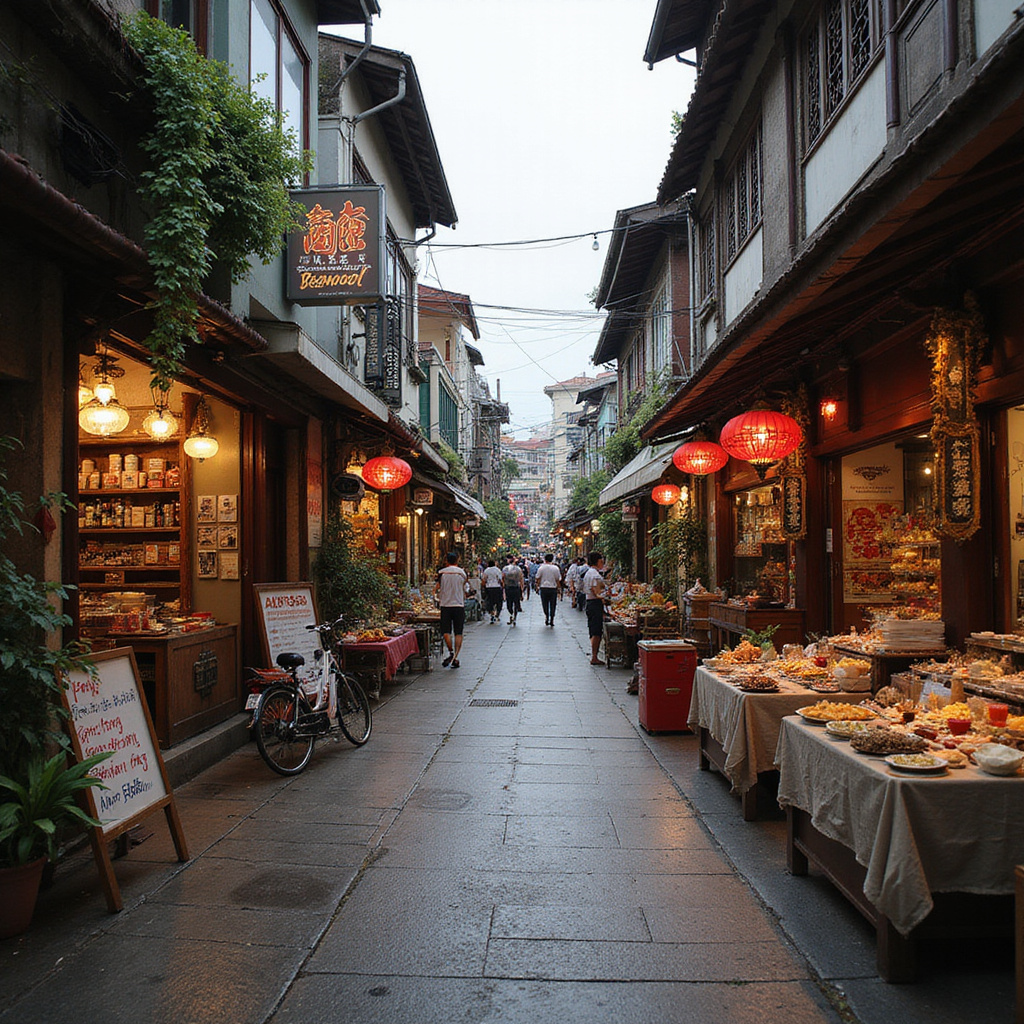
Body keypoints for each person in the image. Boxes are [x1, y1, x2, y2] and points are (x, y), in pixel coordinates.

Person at [434, 551, 468, 668]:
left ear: (446, 561)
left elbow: (436, 589)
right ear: (457, 560)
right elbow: (466, 588)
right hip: (459, 605)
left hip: (445, 605)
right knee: (458, 632)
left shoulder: (441, 573)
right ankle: (455, 657)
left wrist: (437, 597)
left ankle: (451, 652)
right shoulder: (462, 573)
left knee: (446, 631)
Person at [582, 550, 607, 665]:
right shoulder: (594, 575)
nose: (602, 563)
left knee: (593, 629)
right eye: (601, 561)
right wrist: (605, 598)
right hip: (594, 603)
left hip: (590, 603)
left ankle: (594, 655)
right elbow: (596, 592)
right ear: (597, 561)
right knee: (596, 630)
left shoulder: (589, 573)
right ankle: (594, 656)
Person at [535, 552, 562, 627]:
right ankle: (552, 618)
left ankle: (547, 616)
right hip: (553, 588)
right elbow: (558, 579)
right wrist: (559, 589)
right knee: (553, 604)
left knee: (545, 603)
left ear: (545, 559)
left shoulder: (541, 568)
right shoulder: (555, 568)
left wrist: (537, 587)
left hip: (543, 588)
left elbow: (537, 578)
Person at [502, 556, 525, 625]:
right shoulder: (518, 569)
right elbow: (521, 579)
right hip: (516, 587)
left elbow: (502, 577)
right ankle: (514, 617)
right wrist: (522, 588)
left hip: (508, 587)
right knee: (516, 602)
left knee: (509, 602)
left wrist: (503, 585)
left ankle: (511, 614)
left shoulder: (505, 568)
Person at [481, 559, 504, 623]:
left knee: (489, 602)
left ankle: (492, 613)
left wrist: (483, 586)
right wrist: (502, 586)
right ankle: (497, 613)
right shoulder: (497, 570)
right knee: (499, 601)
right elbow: (500, 580)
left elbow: (484, 580)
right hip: (497, 587)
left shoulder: (486, 570)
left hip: (489, 588)